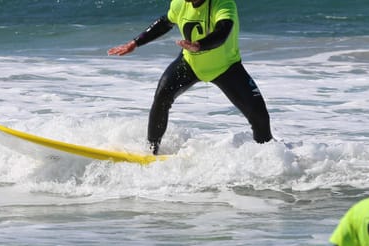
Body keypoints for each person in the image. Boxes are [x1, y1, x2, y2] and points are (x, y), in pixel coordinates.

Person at [107, 0, 273, 155]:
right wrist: (135, 43)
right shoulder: (180, 3)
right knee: (162, 97)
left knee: (260, 117)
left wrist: (199, 45)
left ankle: (268, 159)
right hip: (190, 64)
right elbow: (165, 22)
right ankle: (151, 151)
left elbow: (222, 32)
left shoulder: (223, 4)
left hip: (226, 68)